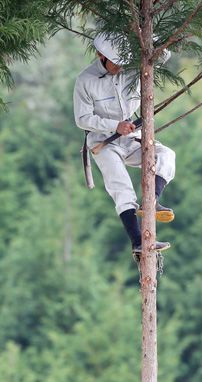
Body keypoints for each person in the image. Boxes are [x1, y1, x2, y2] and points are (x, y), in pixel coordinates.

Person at [73, 33, 175, 254]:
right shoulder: (85, 80)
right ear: (100, 55)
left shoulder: (131, 69)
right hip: (103, 142)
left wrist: (151, 36)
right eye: (115, 62)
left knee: (166, 155)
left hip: (130, 137)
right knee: (120, 186)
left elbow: (163, 56)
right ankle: (138, 242)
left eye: (122, 62)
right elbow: (82, 119)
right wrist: (114, 125)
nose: (119, 67)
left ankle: (151, 202)